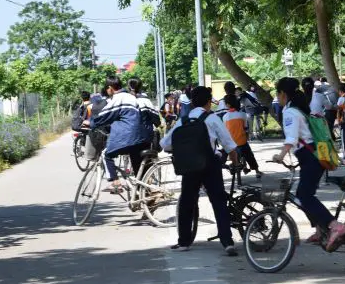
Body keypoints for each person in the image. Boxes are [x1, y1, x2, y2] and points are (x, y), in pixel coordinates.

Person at [160, 86, 238, 256]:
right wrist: (235, 162)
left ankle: (184, 242)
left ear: (193, 102)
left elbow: (165, 143)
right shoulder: (212, 118)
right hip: (210, 165)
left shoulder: (184, 120)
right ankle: (227, 242)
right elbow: (229, 143)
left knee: (187, 202)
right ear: (209, 102)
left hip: (189, 167)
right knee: (218, 202)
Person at [272, 77, 345, 250]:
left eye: (278, 93)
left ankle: (334, 226)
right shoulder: (299, 109)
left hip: (310, 157)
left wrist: (281, 155)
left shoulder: (290, 112)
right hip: (312, 156)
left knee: (304, 196)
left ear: (283, 94)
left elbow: (291, 138)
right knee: (305, 195)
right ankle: (321, 229)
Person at [89, 76, 151, 193]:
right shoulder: (131, 97)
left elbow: (105, 115)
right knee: (137, 167)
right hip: (141, 137)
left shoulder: (118, 98)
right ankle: (145, 194)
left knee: (106, 154)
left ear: (110, 88)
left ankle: (116, 183)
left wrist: (92, 123)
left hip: (128, 137)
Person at [222, 94, 261, 179]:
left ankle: (233, 165)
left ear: (228, 105)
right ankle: (257, 171)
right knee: (250, 155)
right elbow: (246, 128)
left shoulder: (225, 117)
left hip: (232, 144)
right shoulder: (243, 115)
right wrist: (247, 136)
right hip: (242, 142)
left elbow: (225, 132)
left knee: (227, 153)